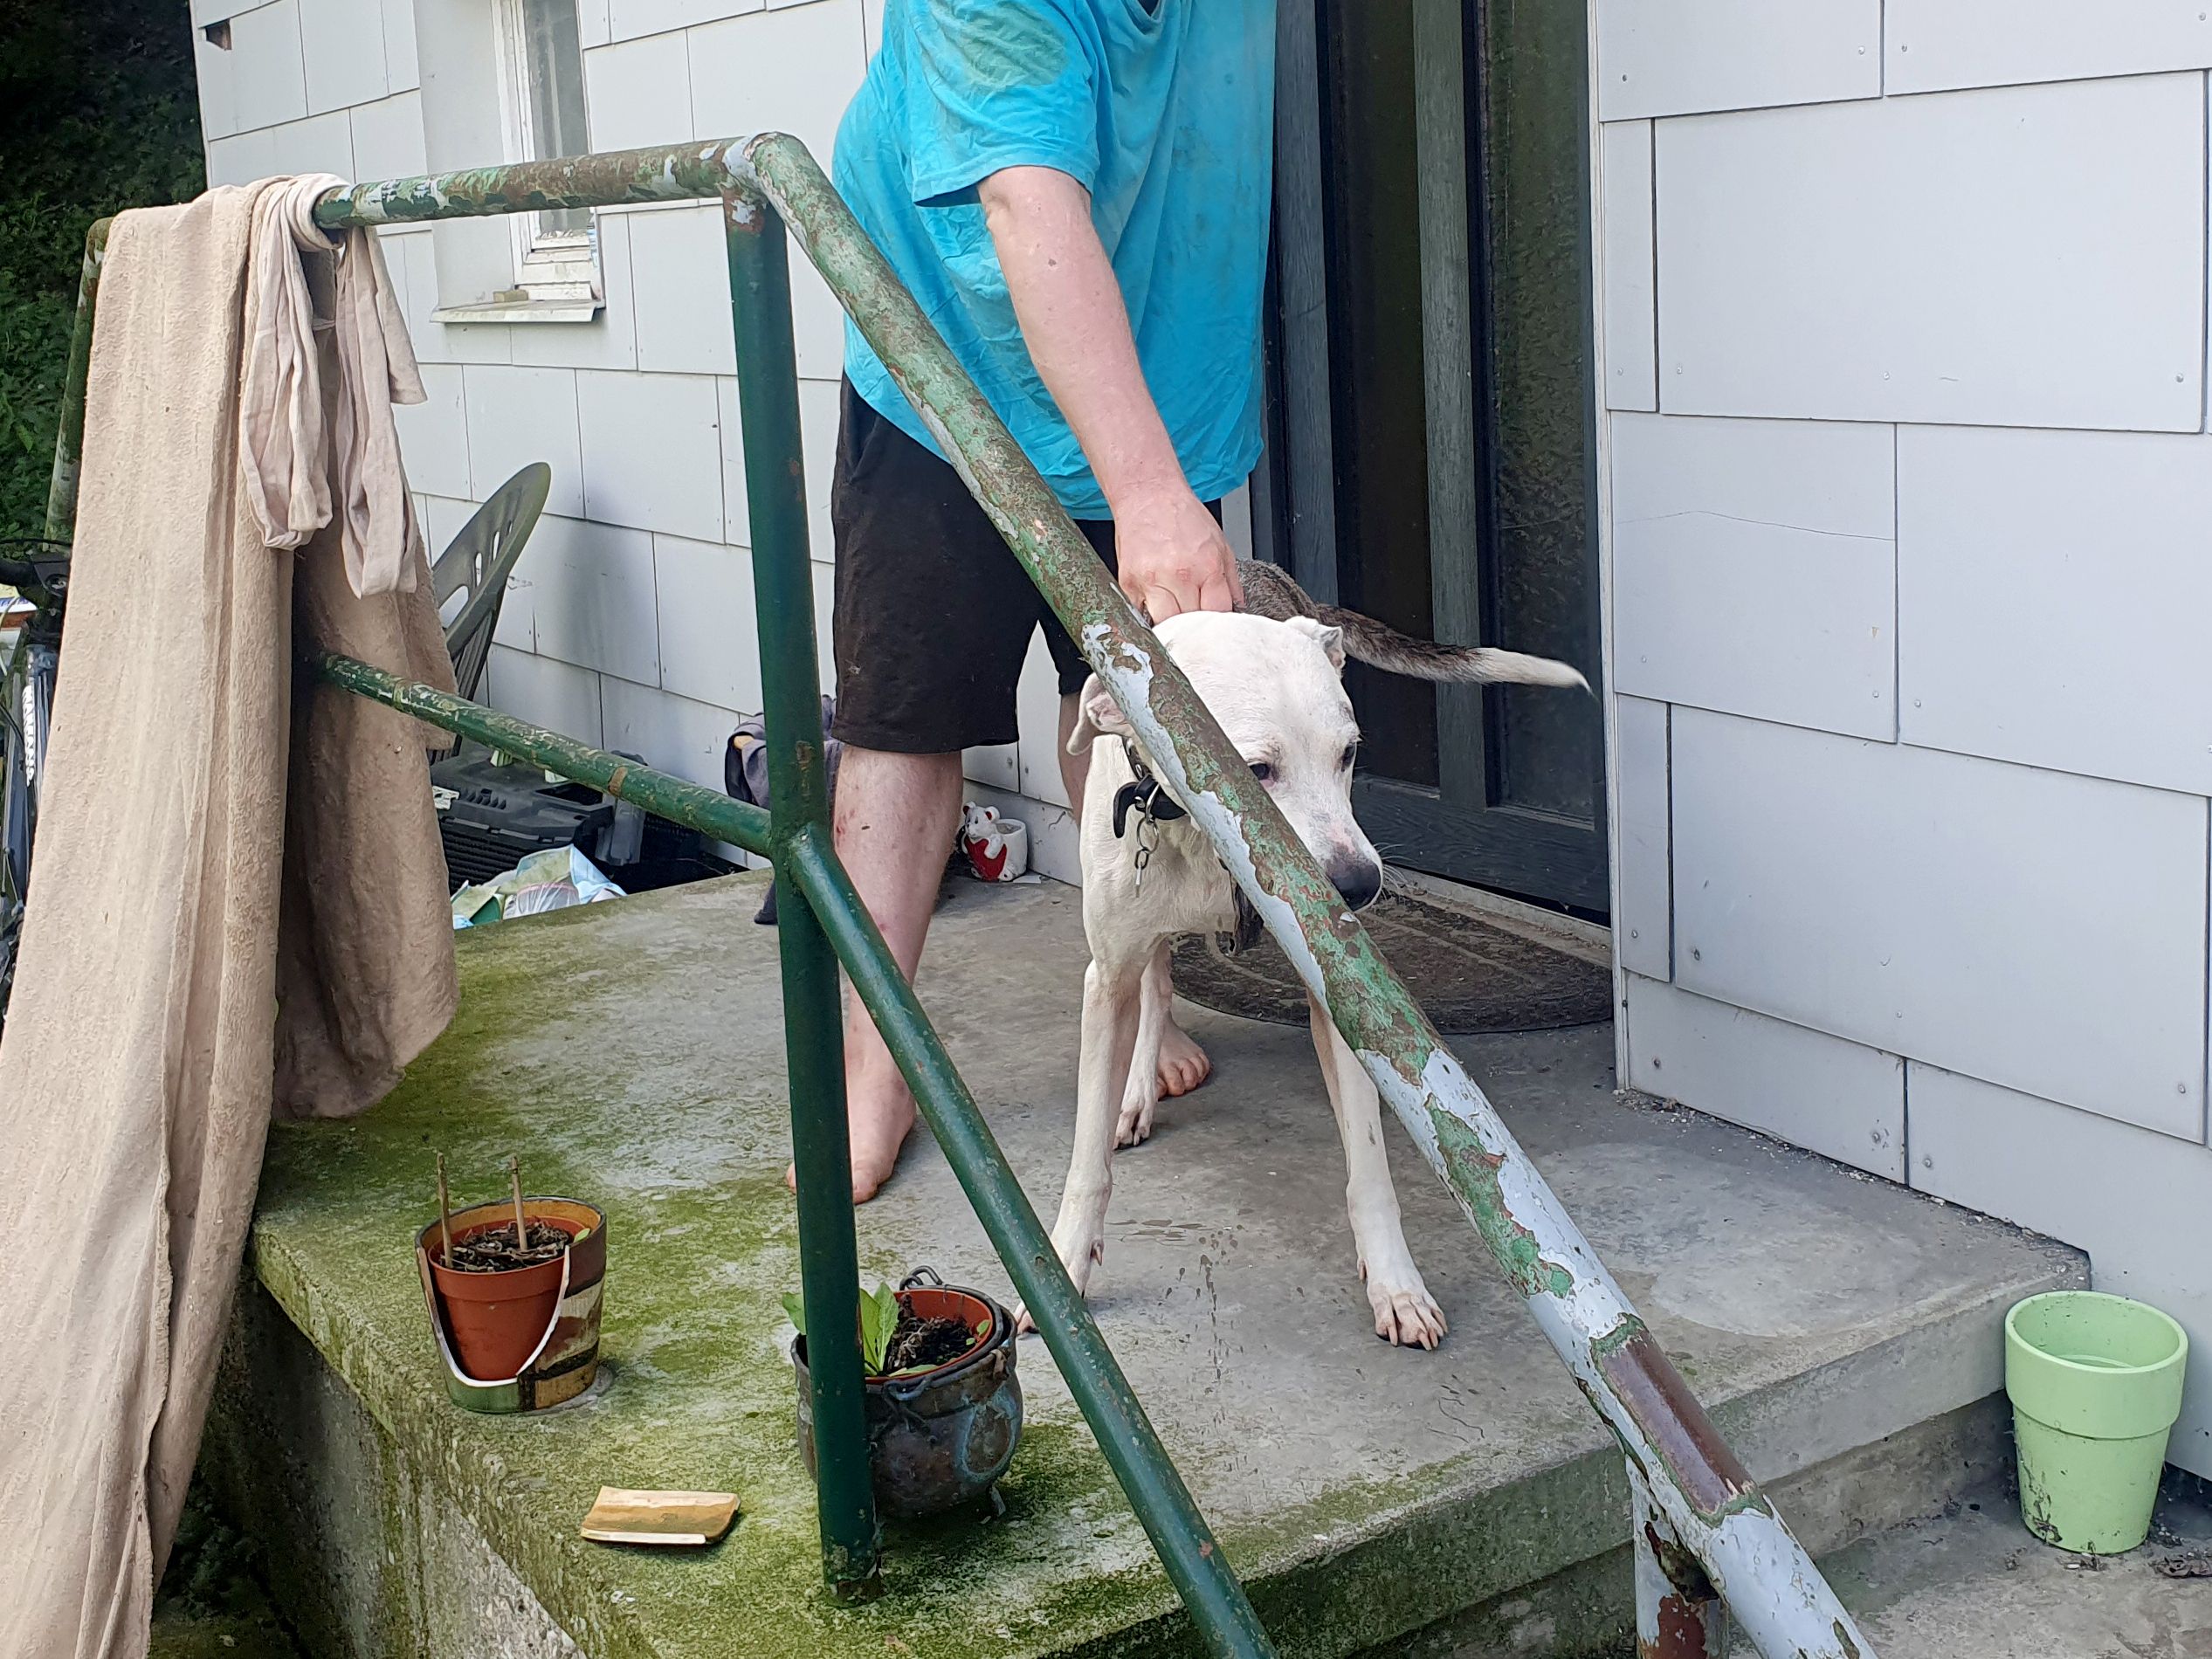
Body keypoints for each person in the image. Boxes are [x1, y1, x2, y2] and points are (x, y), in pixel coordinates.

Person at [817, 0, 1278, 1200]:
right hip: (940, 366)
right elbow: (1024, 198)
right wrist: (1151, 499)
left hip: (1148, 354)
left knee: (1122, 714)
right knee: (902, 723)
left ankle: (1140, 996)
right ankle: (876, 1059)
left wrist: (1156, 482)